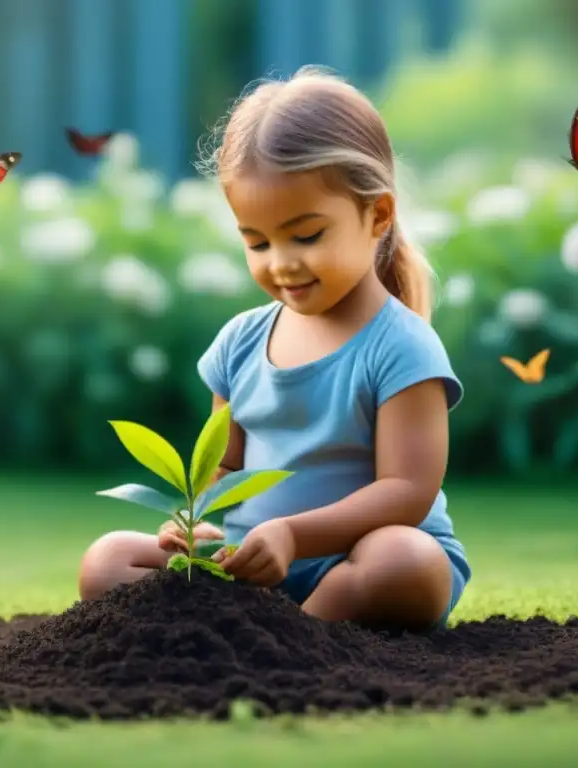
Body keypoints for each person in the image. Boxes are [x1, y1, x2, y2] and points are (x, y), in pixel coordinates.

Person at [78, 66, 470, 631]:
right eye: (257, 241)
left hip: (354, 562)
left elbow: (407, 491)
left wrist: (294, 534)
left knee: (403, 562)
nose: (281, 262)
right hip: (252, 564)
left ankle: (301, 636)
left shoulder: (402, 347)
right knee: (109, 560)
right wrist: (197, 526)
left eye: (306, 235)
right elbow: (225, 466)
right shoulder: (241, 342)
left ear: (377, 215)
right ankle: (263, 627)